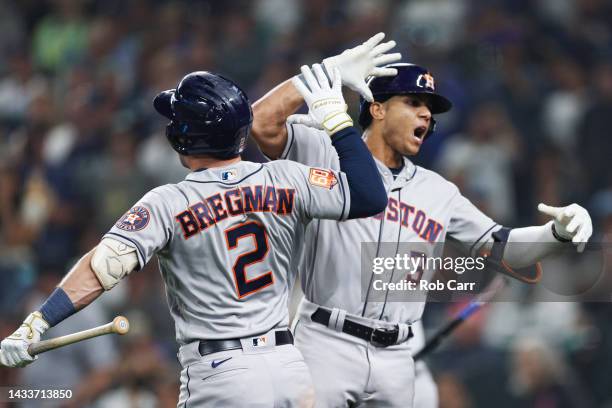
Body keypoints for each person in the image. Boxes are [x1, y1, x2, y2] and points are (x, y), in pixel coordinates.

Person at [0, 67, 389, 407]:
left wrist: (37, 321)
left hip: (222, 374)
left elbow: (103, 266)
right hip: (289, 368)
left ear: (181, 136)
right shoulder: (286, 176)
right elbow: (371, 194)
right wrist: (339, 124)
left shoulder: (169, 202)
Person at [251, 36, 594, 407]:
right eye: (413, 102)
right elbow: (260, 122)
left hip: (398, 355)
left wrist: (554, 233)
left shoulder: (438, 191)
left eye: (429, 108)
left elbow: (503, 247)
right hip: (325, 342)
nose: (426, 114)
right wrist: (331, 70)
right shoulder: (323, 150)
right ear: (377, 108)